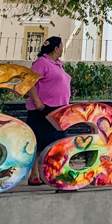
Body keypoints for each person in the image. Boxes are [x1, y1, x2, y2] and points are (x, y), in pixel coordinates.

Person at [26, 36, 72, 185]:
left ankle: (52, 172)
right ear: (55, 48)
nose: (62, 49)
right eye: (61, 46)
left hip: (59, 109)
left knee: (57, 142)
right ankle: (34, 175)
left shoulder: (58, 64)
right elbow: (29, 82)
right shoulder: (42, 62)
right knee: (40, 142)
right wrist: (37, 101)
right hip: (44, 109)